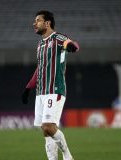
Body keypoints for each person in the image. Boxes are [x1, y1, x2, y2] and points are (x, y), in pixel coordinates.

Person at [22, 10, 79, 160]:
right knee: (45, 131)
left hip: (55, 89)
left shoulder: (58, 38)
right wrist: (28, 87)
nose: (34, 23)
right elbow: (40, 68)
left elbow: (71, 43)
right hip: (41, 92)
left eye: (38, 20)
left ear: (47, 23)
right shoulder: (40, 44)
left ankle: (68, 156)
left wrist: (72, 46)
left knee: (48, 126)